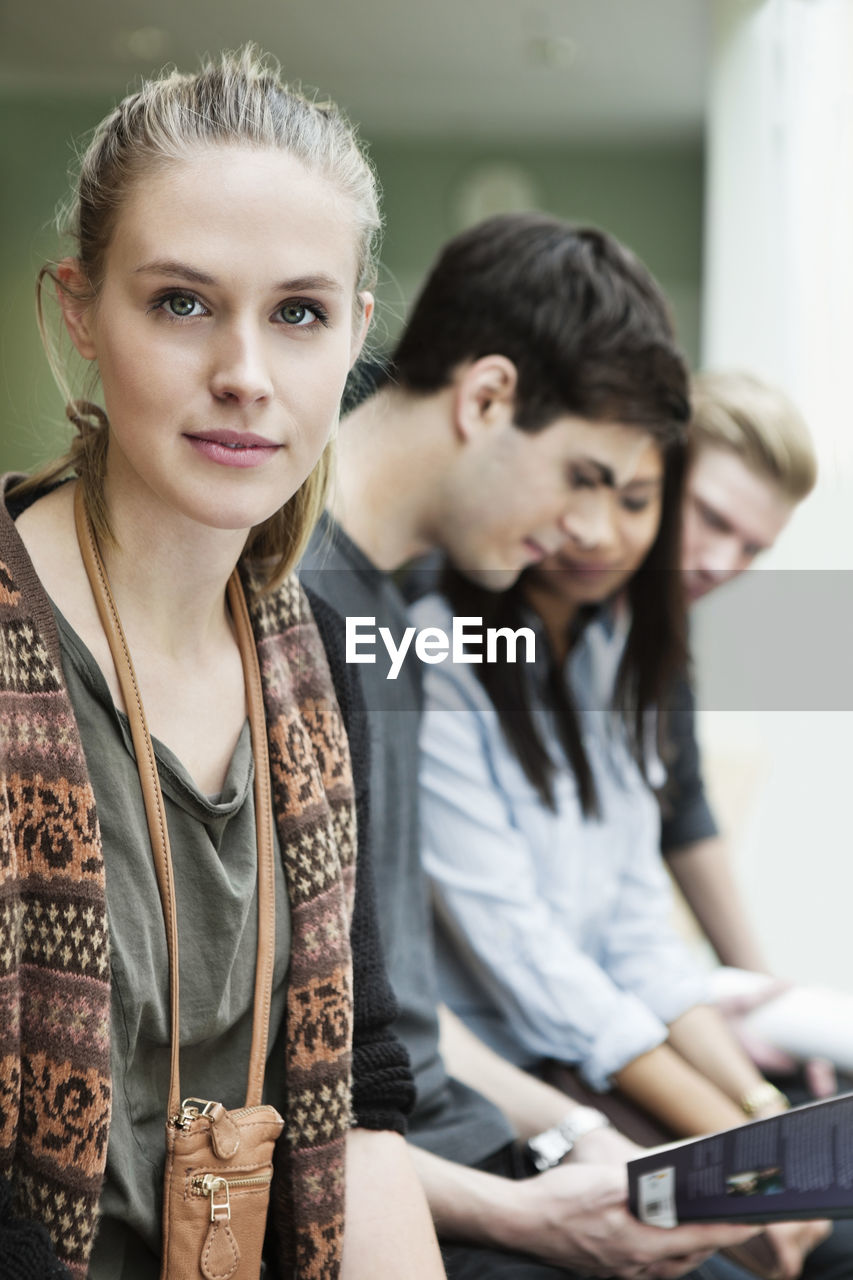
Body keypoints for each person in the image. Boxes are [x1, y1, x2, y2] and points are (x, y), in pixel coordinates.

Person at [0, 48, 446, 1279]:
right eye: (183, 301)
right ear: (81, 311)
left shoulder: (311, 666)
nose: (246, 373)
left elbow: (360, 1092)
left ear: (353, 336)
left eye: (298, 312)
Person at [301, 212, 764, 1279]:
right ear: (486, 399)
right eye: (582, 476)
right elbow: (275, 1069)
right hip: (397, 1191)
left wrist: (575, 1138)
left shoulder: (395, 608)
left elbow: (404, 1012)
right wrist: (534, 1206)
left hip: (468, 1133)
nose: (585, 531)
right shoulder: (302, 600)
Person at [657, 371, 852, 1090]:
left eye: (750, 549)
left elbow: (683, 812)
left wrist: (764, 995)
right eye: (710, 518)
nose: (719, 564)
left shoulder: (661, 647)